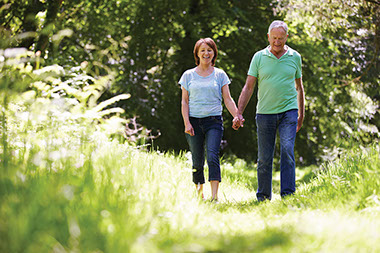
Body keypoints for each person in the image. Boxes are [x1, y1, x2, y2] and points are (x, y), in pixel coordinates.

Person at [233, 20, 305, 201]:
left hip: (289, 111)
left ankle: (288, 194)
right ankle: (263, 196)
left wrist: (301, 114)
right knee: (265, 157)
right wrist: (239, 112)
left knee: (287, 149)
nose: (277, 42)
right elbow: (248, 87)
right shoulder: (259, 57)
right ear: (268, 37)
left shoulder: (295, 57)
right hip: (265, 113)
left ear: (286, 37)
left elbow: (299, 88)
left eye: (281, 38)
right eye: (274, 38)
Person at [179, 38, 238, 203]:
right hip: (193, 122)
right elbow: (184, 101)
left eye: (209, 50)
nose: (206, 53)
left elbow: (227, 99)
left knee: (212, 155)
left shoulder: (220, 75)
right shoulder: (188, 75)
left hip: (214, 122)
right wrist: (186, 123)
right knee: (197, 159)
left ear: (214, 53)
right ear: (197, 53)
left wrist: (236, 115)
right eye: (203, 50)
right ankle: (199, 194)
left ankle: (214, 197)